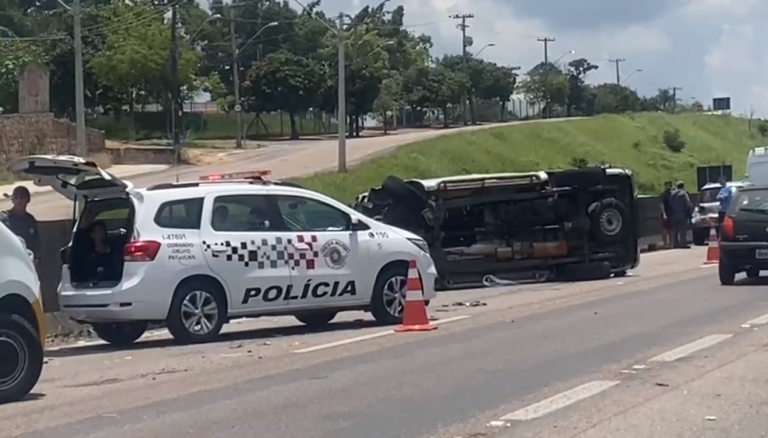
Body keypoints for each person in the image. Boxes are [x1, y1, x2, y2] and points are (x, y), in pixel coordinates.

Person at [0, 186, 40, 265]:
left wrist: (36, 258)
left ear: (27, 200)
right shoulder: (3, 218)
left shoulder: (30, 220)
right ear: (12, 200)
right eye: (16, 197)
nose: (19, 200)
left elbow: (35, 242)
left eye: (22, 197)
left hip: (26, 261)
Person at [669, 181, 693, 248]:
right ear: (683, 186)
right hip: (682, 214)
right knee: (683, 229)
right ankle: (683, 243)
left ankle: (675, 243)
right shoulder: (683, 194)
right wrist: (690, 211)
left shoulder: (672, 194)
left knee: (675, 229)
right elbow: (688, 204)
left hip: (674, 213)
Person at [660, 181, 673, 248]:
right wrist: (664, 214)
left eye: (669, 185)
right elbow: (661, 204)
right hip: (665, 213)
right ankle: (665, 244)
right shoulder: (663, 194)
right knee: (664, 229)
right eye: (667, 185)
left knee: (671, 229)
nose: (668, 187)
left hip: (671, 213)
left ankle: (671, 243)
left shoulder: (672, 194)